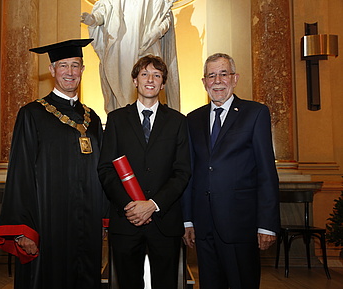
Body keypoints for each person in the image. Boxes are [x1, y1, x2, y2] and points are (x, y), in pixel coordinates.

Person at [0, 39, 107, 289]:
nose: (70, 72)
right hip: (47, 225)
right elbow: (20, 173)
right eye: (63, 66)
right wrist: (24, 229)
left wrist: (102, 217)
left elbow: (102, 172)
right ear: (52, 69)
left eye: (75, 65)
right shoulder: (32, 114)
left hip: (86, 226)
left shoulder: (93, 119)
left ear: (83, 70)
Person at [182, 53, 280, 289]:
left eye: (223, 74)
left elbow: (266, 171)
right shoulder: (192, 119)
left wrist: (266, 224)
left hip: (241, 225)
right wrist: (187, 220)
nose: (217, 80)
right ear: (204, 82)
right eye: (211, 75)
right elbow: (190, 172)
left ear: (235, 79)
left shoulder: (255, 113)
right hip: (203, 226)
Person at [98, 55, 190, 289]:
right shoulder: (116, 120)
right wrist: (130, 206)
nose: (151, 79)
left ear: (163, 83)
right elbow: (106, 169)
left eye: (157, 75)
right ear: (135, 81)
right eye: (145, 74)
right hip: (126, 221)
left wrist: (153, 204)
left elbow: (182, 171)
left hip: (165, 221)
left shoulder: (178, 122)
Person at [81, 0, 180, 113]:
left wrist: (155, 33)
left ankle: (153, 118)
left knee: (150, 77)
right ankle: (123, 117)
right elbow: (105, 10)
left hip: (148, 43)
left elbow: (165, 17)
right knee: (121, 86)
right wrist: (94, 20)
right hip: (121, 47)